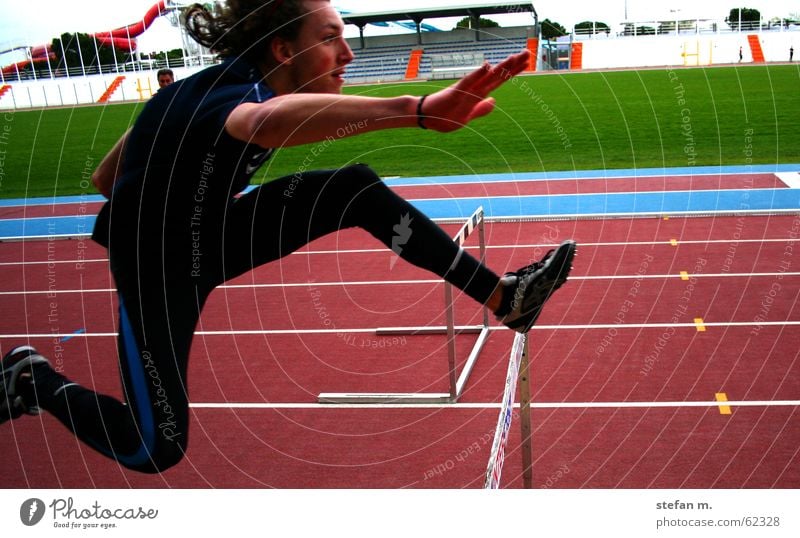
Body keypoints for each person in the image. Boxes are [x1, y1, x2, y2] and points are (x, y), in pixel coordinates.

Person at [0, 0, 575, 474]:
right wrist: (418, 110)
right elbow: (264, 122)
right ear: (283, 50)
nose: (347, 52)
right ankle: (34, 380)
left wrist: (184, 191)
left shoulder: (182, 94)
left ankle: (507, 297)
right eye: (330, 38)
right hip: (158, 272)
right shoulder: (242, 100)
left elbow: (107, 179)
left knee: (352, 190)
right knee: (153, 446)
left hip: (211, 234)